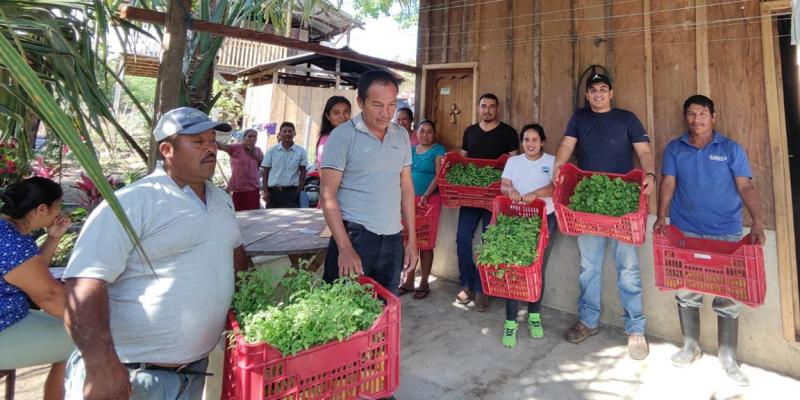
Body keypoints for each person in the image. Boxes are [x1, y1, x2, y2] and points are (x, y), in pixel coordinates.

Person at [63, 107, 253, 400]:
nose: (210, 149)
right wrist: (100, 364)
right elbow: (84, 284)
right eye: (197, 142)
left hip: (191, 374)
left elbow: (235, 256)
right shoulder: (134, 202)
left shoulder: (221, 200)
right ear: (167, 150)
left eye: (212, 141)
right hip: (131, 375)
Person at [654, 95, 766, 386]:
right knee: (687, 289)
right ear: (685, 118)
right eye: (691, 114)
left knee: (727, 293)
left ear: (713, 116)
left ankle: (728, 358)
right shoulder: (675, 148)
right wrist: (661, 217)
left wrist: (757, 221)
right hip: (685, 230)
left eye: (702, 113)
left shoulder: (730, 149)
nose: (697, 119)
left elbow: (746, 186)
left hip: (725, 231)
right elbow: (668, 183)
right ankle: (690, 347)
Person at [553, 72, 655, 360]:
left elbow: (645, 151)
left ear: (611, 93)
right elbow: (566, 145)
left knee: (628, 269)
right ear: (587, 95)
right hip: (587, 202)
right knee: (589, 267)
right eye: (592, 90)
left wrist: (649, 173)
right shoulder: (579, 118)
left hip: (621, 203)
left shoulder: (627, 118)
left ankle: (635, 329)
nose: (597, 94)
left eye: (602, 89)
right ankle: (588, 320)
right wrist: (560, 165)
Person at [320, 69, 418, 293]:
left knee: (384, 311)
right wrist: (345, 248)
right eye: (377, 105)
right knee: (344, 315)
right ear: (360, 102)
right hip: (355, 236)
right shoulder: (342, 136)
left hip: (393, 238)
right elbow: (327, 195)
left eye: (392, 104)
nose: (386, 113)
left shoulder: (401, 135)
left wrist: (411, 240)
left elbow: (407, 190)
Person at [0, 177, 74, 400]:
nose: (59, 211)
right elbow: (49, 296)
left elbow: (30, 270)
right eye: (58, 206)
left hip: (11, 317)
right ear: (42, 208)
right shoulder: (12, 241)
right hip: (5, 325)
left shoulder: (9, 231)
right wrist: (94, 318)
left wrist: (53, 239)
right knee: (81, 340)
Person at [456, 93, 518, 311]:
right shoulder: (470, 131)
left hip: (495, 198)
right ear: (478, 108)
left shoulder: (508, 132)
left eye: (492, 107)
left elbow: (515, 162)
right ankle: (467, 283)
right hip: (470, 196)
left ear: (497, 109)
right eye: (484, 106)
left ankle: (483, 288)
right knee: (462, 238)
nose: (487, 110)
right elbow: (462, 160)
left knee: (488, 242)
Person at [498, 124, 558, 347]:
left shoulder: (551, 161)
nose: (530, 144)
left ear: (542, 142)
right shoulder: (513, 162)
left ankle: (534, 317)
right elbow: (504, 185)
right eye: (526, 140)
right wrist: (509, 191)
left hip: (545, 218)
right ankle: (511, 322)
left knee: (537, 268)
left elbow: (555, 187)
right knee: (513, 268)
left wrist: (536, 194)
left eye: (534, 140)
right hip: (516, 218)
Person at [398, 119, 446, 299]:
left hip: (429, 201)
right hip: (409, 200)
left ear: (434, 134)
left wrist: (426, 195)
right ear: (416, 133)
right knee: (409, 240)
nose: (425, 135)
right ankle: (409, 280)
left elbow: (440, 175)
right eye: (422, 131)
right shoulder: (410, 151)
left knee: (425, 241)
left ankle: (424, 281)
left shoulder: (438, 150)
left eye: (429, 132)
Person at [261, 122, 308, 209]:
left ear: (294, 133)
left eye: (290, 131)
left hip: (292, 193)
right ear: (280, 134)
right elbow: (265, 173)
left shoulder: (301, 151)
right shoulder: (271, 151)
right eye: (284, 131)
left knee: (292, 220)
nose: (287, 134)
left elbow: (303, 171)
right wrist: (266, 191)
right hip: (273, 193)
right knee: (272, 220)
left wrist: (299, 190)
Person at [217, 128, 264, 211]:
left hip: (253, 189)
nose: (252, 138)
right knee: (238, 214)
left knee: (252, 214)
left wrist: (254, 154)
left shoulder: (258, 150)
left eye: (255, 137)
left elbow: (263, 164)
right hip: (238, 189)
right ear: (243, 138)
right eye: (249, 136)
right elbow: (221, 146)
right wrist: (210, 137)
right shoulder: (236, 147)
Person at [315, 96, 352, 167]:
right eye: (336, 113)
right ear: (328, 116)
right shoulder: (327, 139)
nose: (342, 116)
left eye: (346, 112)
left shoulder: (349, 136)